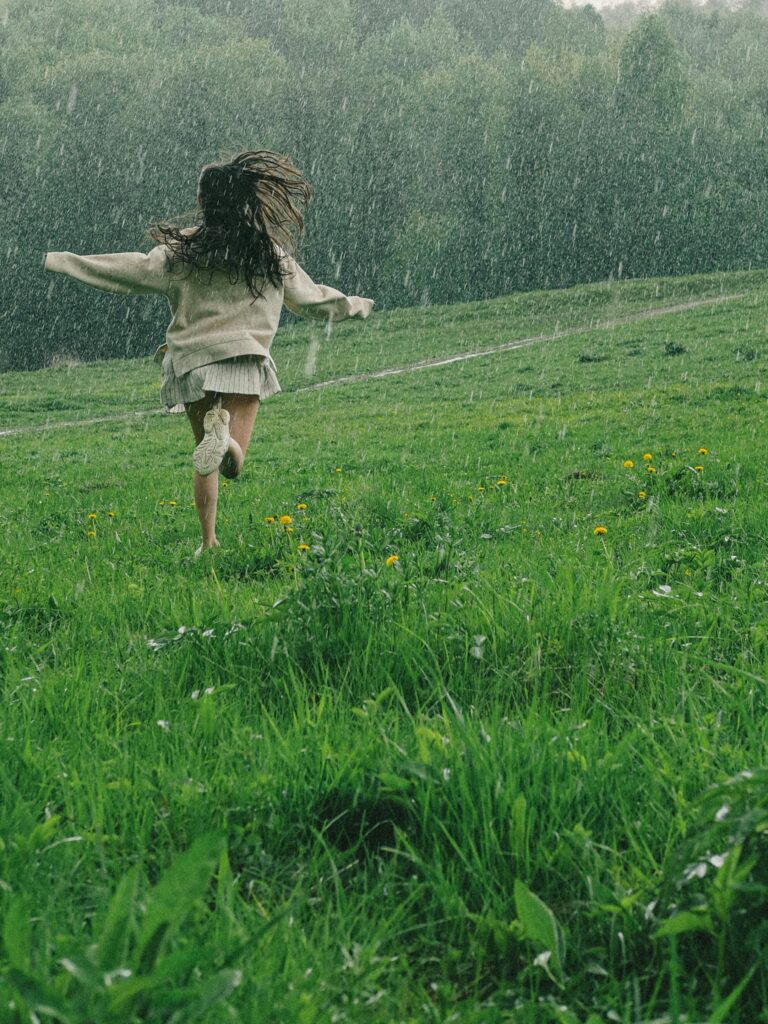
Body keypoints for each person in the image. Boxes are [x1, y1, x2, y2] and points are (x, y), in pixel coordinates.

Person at [44, 150, 375, 556]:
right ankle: (229, 445)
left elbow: (128, 271)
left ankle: (208, 540)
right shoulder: (269, 253)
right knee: (231, 462)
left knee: (205, 457)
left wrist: (67, 262)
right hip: (245, 361)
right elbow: (311, 301)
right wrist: (355, 305)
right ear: (246, 200)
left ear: (202, 202)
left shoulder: (179, 252)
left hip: (194, 363)